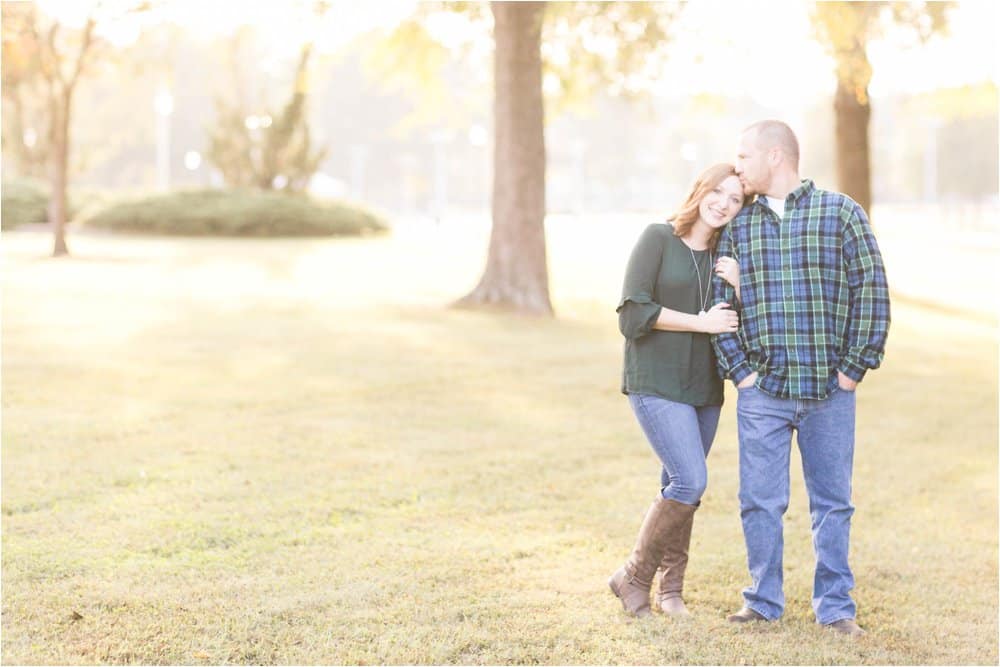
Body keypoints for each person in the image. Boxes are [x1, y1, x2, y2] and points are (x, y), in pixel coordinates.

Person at [711, 120, 890, 636]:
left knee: (833, 503)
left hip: (829, 393)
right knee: (759, 501)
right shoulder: (739, 227)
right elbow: (719, 305)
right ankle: (763, 601)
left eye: (743, 157)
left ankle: (835, 607)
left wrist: (853, 370)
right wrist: (741, 373)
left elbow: (872, 293)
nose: (737, 166)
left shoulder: (840, 213)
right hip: (762, 392)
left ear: (774, 156)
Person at [608, 163, 746, 618]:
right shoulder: (658, 238)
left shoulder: (729, 256)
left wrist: (743, 286)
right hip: (656, 379)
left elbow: (746, 323)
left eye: (735, 199)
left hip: (704, 385)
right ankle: (634, 577)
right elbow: (632, 316)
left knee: (678, 485)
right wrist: (698, 323)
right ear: (700, 190)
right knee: (691, 479)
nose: (723, 203)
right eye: (718, 192)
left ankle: (670, 591)